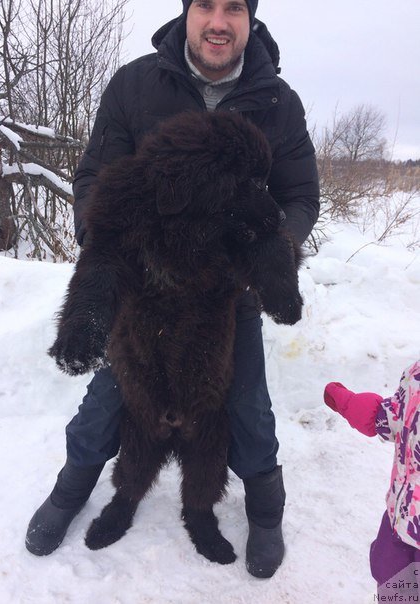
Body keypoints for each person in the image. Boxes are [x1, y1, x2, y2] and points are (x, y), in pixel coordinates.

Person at [25, 0, 320, 579]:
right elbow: (95, 179)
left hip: (224, 296)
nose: (218, 20)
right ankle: (70, 491)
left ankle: (266, 511)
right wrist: (110, 246)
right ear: (186, 13)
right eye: (205, 4)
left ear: (250, 19)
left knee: (248, 408)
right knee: (106, 404)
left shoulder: (278, 103)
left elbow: (298, 197)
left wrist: (270, 255)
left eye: (234, 7)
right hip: (145, 291)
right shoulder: (135, 84)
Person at [324, 361, 420, 597]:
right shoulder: (417, 376)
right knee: (393, 581)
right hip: (403, 519)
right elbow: (396, 417)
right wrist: (355, 406)